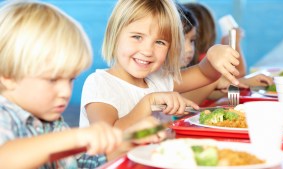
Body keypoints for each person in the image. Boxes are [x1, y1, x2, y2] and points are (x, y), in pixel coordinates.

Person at [0, 1, 165, 168]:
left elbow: (83, 164)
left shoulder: (52, 123)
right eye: (53, 80)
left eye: (71, 79)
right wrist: (76, 137)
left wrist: (126, 142)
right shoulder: (4, 116)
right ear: (8, 76)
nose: (65, 92)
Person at [80, 0, 241, 131]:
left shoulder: (158, 79)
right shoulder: (100, 84)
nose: (148, 50)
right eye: (137, 37)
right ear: (114, 36)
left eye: (159, 42)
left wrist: (213, 56)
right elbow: (109, 136)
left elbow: (205, 74)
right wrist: (149, 102)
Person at [181, 2, 273, 105]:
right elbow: (187, 100)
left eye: (192, 40)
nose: (188, 49)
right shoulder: (202, 62)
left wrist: (244, 82)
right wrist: (232, 42)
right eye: (181, 40)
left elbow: (209, 91)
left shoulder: (184, 72)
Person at [184, 2, 247, 77]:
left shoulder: (203, 59)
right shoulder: (207, 61)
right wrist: (234, 43)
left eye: (191, 41)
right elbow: (238, 74)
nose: (189, 49)